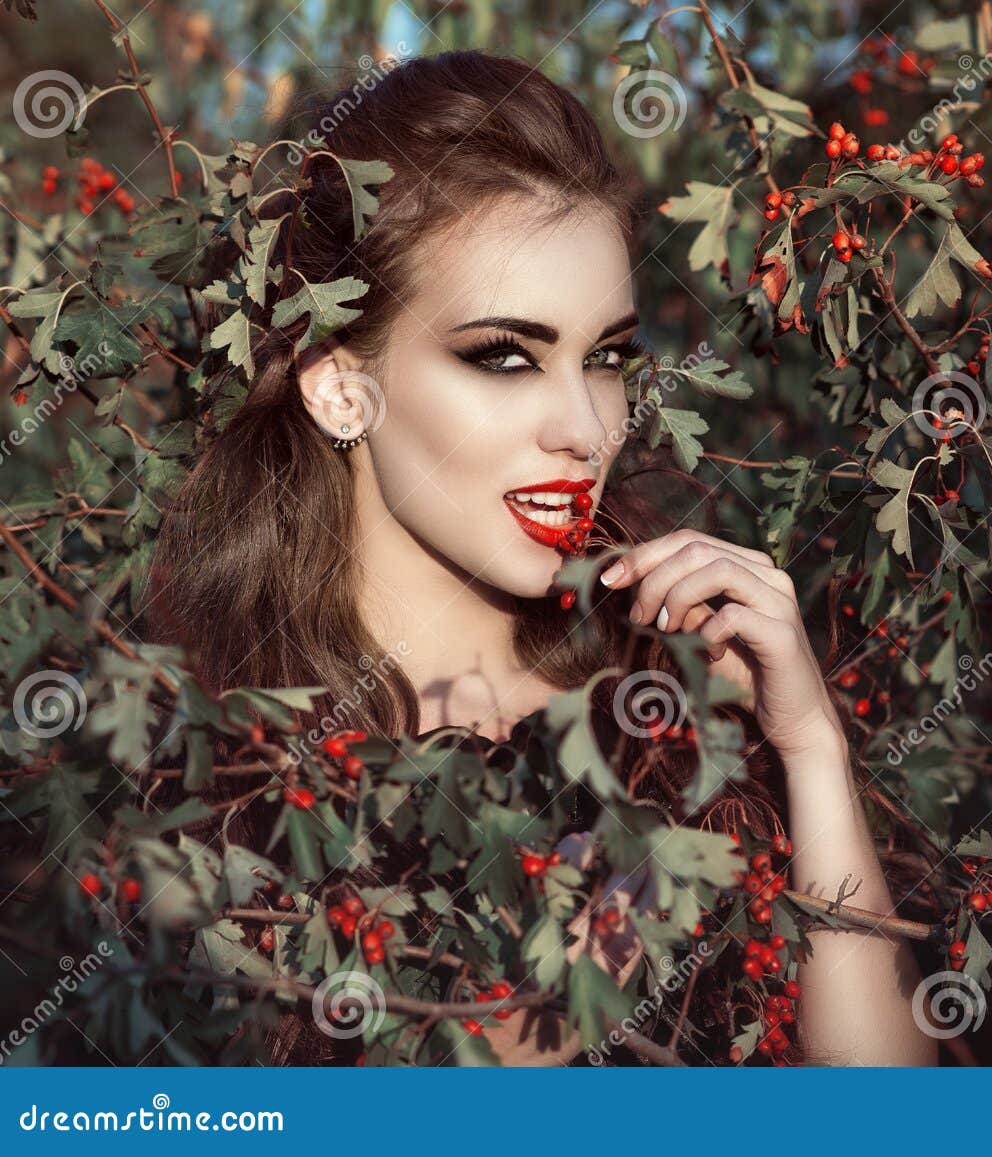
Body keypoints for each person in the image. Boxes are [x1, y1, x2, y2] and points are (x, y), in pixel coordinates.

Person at [147, 50, 933, 1066]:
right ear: (342, 386)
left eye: (604, 357)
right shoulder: (227, 778)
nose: (583, 427)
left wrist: (812, 751)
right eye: (504, 357)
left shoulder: (681, 704)